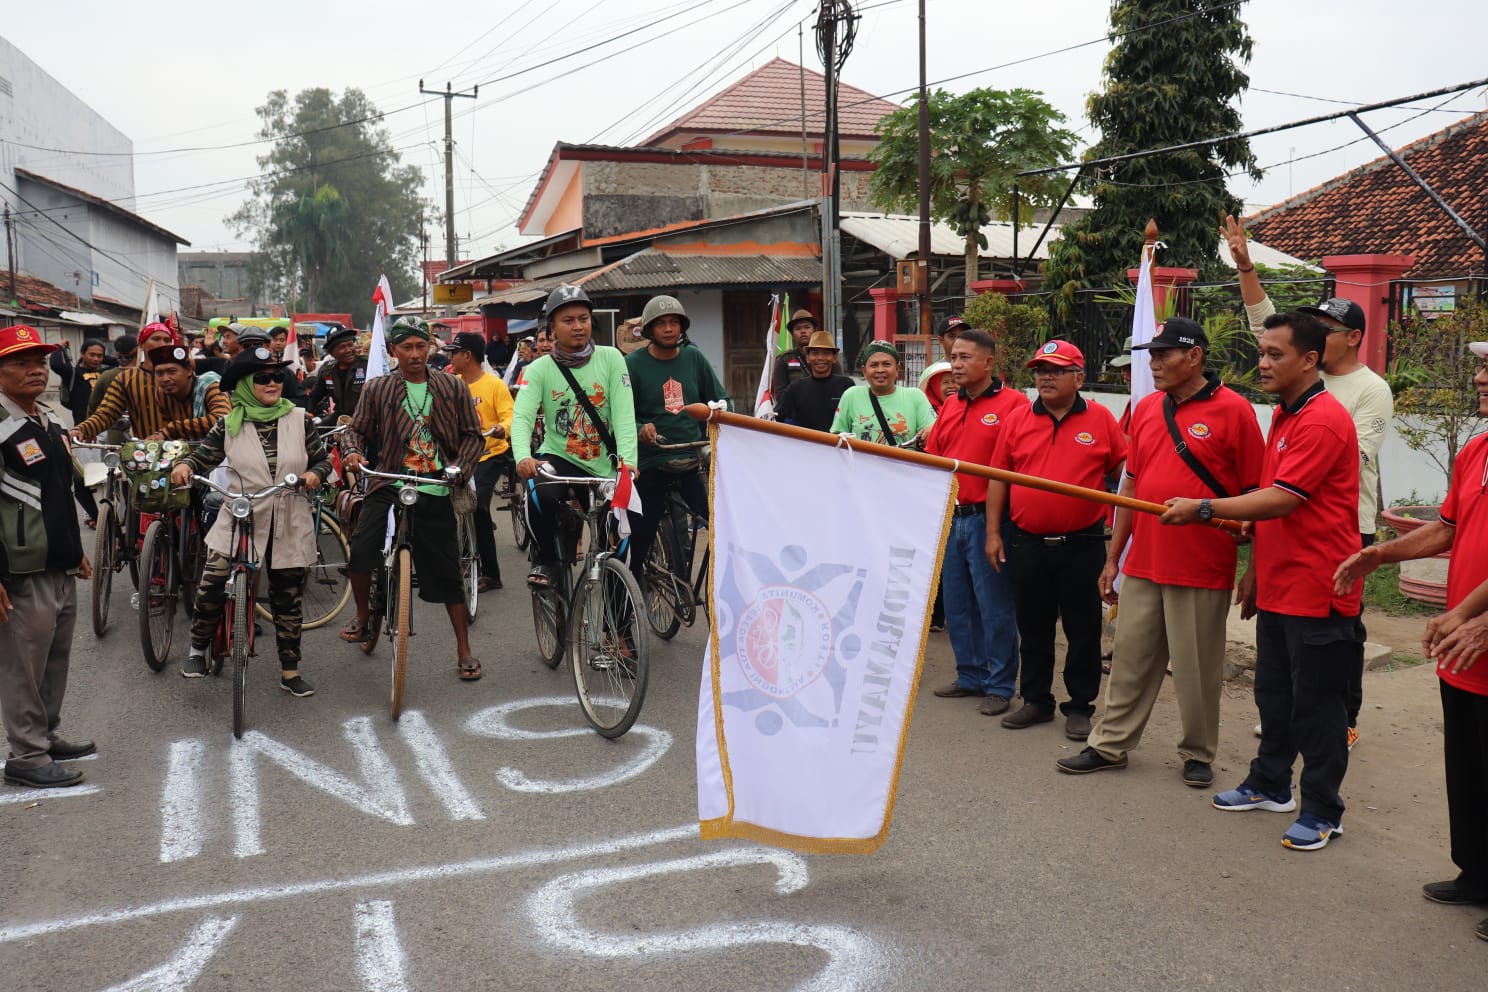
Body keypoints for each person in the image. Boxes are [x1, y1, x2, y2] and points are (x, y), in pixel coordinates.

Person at [1162, 310, 1363, 852]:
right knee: (1274, 694)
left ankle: (1324, 809)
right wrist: (1256, 573)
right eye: (1262, 352)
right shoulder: (1285, 414)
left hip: (1319, 588)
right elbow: (1269, 505)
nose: (1263, 362)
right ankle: (1271, 784)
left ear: (1309, 360)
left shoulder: (1322, 419)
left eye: (1275, 354)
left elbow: (1282, 499)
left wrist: (1204, 507)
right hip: (1280, 584)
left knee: (1319, 705)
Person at [1058, 318, 1264, 784]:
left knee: (1195, 669)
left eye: (1164, 354)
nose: (1154, 364)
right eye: (1151, 355)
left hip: (1202, 562)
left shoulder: (1236, 412)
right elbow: (1131, 483)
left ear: (1194, 357)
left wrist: (1255, 568)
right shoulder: (1148, 408)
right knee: (1129, 658)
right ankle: (1109, 745)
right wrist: (1115, 555)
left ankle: (1198, 752)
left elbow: (1258, 495)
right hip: (1145, 559)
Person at [1332, 340, 1488, 933]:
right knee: (1468, 762)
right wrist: (1380, 555)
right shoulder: (1476, 449)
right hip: (1462, 645)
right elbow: (1445, 530)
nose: (1477, 377)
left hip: (1476, 632)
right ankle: (1476, 871)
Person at [1226, 215, 1393, 750]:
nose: (1318, 326)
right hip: (1283, 518)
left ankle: (1338, 721)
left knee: (1336, 637)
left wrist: (1215, 506)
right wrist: (1246, 265)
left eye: (1329, 324)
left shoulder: (1368, 392)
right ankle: (1287, 726)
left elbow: (1352, 457)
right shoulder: (1290, 391)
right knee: (1282, 638)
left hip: (1344, 526)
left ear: (1349, 340)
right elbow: (1264, 321)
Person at [986, 340, 1126, 740]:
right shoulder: (1017, 419)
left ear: (1079, 377)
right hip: (1026, 542)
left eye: (1057, 370)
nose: (1046, 377)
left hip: (1081, 544)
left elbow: (1124, 474)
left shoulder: (1101, 419)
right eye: (1041, 369)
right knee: (1033, 626)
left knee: (1083, 629)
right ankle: (1035, 700)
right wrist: (993, 533)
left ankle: (1079, 706)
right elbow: (999, 477)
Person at [170, 347, 330, 694]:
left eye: (277, 377)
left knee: (288, 596)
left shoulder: (300, 419)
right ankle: (197, 649)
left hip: (289, 515)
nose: (273, 383)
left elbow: (322, 461)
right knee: (212, 580)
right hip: (241, 512)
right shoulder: (227, 424)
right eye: (262, 378)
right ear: (244, 384)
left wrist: (315, 475)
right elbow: (201, 458)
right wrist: (184, 466)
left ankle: (290, 671)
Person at [339, 317, 486, 679]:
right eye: (407, 347)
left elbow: (473, 436)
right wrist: (353, 453)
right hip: (388, 480)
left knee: (448, 570)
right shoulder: (377, 389)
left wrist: (458, 469)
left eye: (421, 346)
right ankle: (361, 616)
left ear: (431, 347)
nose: (415, 354)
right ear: (394, 351)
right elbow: (354, 431)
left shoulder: (453, 387)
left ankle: (464, 650)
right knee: (361, 549)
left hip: (436, 485)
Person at [0, 324, 94, 789]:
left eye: (39, 362)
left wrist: (75, 552)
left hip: (57, 561)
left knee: (53, 659)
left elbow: (60, 490)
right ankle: (26, 755)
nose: (35, 371)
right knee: (23, 665)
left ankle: (46, 735)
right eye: (20, 363)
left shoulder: (47, 419)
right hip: (19, 568)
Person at [923, 328, 1028, 712]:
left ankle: (1000, 684)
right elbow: (934, 460)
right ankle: (969, 674)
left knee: (994, 604)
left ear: (989, 362)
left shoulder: (1015, 405)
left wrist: (997, 528)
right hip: (952, 516)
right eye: (955, 357)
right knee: (957, 603)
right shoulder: (951, 405)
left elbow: (1018, 464)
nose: (957, 364)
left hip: (989, 518)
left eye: (965, 358)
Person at [512, 285, 638, 589]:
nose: (578, 326)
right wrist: (522, 457)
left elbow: (623, 415)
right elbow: (522, 417)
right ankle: (547, 560)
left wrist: (628, 463)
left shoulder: (611, 359)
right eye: (568, 320)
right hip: (560, 458)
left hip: (605, 463)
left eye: (583, 318)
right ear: (552, 329)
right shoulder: (538, 368)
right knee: (538, 493)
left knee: (619, 548)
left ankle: (620, 631)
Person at [624, 294, 728, 586]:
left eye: (674, 322)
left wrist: (714, 411)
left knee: (723, 526)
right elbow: (620, 416)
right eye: (661, 324)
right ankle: (618, 625)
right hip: (652, 462)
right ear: (649, 330)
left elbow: (722, 399)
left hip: (691, 460)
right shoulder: (632, 364)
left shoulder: (694, 357)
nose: (668, 329)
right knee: (636, 545)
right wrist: (641, 427)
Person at [72, 324, 228, 443]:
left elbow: (222, 418)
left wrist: (170, 431)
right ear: (141, 345)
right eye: (156, 339)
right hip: (146, 453)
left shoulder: (193, 381)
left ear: (187, 371)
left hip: (186, 453)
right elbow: (106, 413)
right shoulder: (125, 379)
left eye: (167, 340)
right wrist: (83, 429)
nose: (162, 343)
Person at [443, 331, 514, 592]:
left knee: (479, 507)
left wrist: (500, 428)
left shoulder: (494, 386)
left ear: (467, 355)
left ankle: (491, 574)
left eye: (454, 353)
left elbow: (510, 417)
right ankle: (459, 556)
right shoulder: (451, 385)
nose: (450, 357)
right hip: (461, 456)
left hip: (491, 454)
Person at [830, 341, 936, 447]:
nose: (880, 370)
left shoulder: (915, 397)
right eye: (874, 365)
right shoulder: (851, 396)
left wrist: (930, 431)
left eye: (886, 364)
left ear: (897, 369)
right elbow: (837, 438)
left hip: (903, 463)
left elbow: (932, 433)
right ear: (864, 371)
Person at [49, 338, 108, 527]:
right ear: (82, 354)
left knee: (106, 475)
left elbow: (118, 361)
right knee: (89, 475)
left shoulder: (104, 373)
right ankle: (90, 515)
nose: (97, 359)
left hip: (107, 428)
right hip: (84, 431)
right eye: (92, 354)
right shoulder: (73, 373)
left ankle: (105, 512)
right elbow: (57, 364)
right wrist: (60, 347)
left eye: (100, 355)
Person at [774, 332, 853, 433]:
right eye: (815, 353)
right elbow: (776, 419)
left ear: (834, 358)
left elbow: (857, 421)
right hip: (806, 447)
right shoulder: (795, 388)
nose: (820, 358)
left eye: (826, 353)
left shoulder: (846, 386)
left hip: (839, 447)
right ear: (807, 358)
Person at [771, 309, 841, 392]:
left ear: (815, 331)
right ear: (792, 334)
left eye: (807, 327)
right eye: (798, 328)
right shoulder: (784, 360)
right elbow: (781, 395)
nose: (803, 331)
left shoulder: (828, 358)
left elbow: (839, 388)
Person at [236, 326, 307, 407]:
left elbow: (301, 400)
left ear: (267, 346)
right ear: (240, 348)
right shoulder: (235, 374)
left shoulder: (284, 372)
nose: (271, 383)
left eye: (257, 344)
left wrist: (277, 405)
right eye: (247, 346)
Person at [308, 323, 368, 420]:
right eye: (342, 347)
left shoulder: (367, 365)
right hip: (341, 417)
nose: (348, 350)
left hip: (365, 418)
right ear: (332, 352)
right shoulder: (327, 371)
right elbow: (314, 397)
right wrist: (308, 412)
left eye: (350, 345)